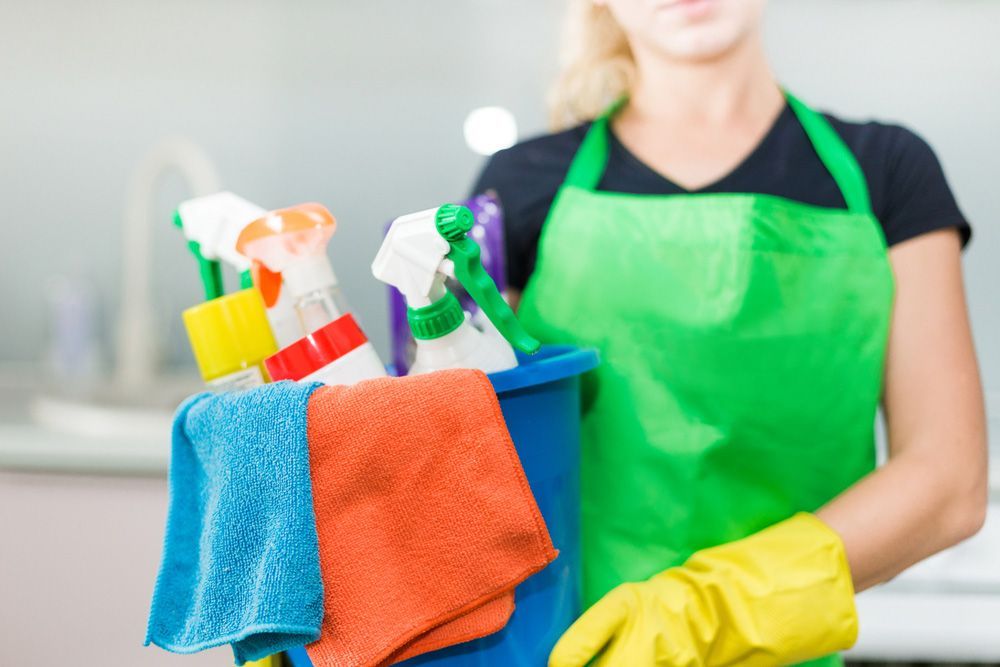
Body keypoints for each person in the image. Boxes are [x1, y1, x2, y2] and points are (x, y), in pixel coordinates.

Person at [472, 1, 987, 665]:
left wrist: (705, 612)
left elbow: (949, 482)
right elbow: (478, 463)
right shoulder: (519, 187)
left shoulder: (886, 173)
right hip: (570, 649)